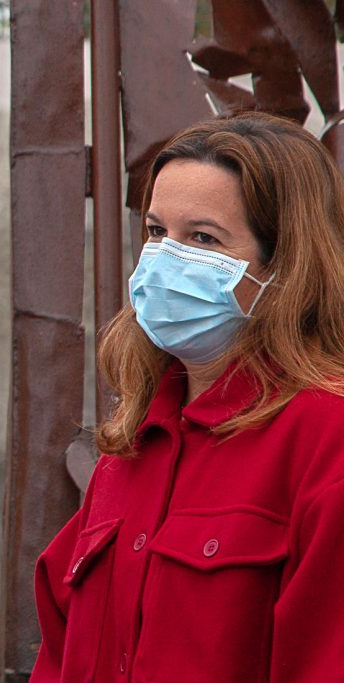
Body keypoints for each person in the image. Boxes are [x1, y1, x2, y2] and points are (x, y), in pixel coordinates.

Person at [31, 111, 344, 682]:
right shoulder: (133, 442)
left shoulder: (324, 438)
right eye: (156, 232)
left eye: (203, 238)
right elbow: (59, 646)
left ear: (286, 265)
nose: (164, 261)